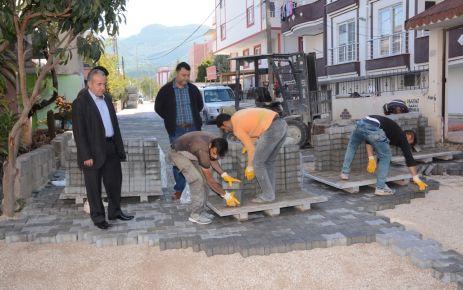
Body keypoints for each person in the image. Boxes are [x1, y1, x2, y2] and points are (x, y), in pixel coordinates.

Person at [72, 68, 134, 230]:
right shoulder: (80, 102)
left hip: (110, 147)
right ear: (89, 84)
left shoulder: (107, 99)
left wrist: (119, 148)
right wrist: (85, 155)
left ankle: (115, 211)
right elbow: (79, 132)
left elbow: (114, 125)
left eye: (104, 84)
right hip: (92, 152)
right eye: (99, 84)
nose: (102, 88)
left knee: (114, 182)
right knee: (94, 187)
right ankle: (98, 218)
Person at [340, 115, 428, 196]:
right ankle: (380, 188)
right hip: (372, 126)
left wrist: (371, 158)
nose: (408, 146)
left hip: (361, 123)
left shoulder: (392, 132)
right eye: (410, 144)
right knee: (386, 156)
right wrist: (416, 178)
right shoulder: (402, 137)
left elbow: (368, 139)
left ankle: (344, 173)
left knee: (352, 146)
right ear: (409, 136)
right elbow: (409, 158)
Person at [216, 108, 288, 203]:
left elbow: (251, 150)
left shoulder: (237, 128)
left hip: (271, 129)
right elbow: (253, 130)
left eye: (223, 128)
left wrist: (250, 166)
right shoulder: (237, 116)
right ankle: (270, 192)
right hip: (282, 124)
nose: (226, 131)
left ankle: (268, 195)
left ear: (225, 123)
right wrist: (248, 143)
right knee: (269, 162)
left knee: (258, 163)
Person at [155, 62, 203, 200]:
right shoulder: (166, 90)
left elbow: (199, 105)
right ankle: (179, 189)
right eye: (183, 75)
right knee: (178, 161)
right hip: (176, 131)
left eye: (188, 75)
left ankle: (196, 187)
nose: (186, 78)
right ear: (177, 73)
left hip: (193, 129)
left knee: (195, 158)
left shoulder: (193, 89)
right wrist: (170, 117)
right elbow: (158, 108)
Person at [169, 132, 241, 225]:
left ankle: (201, 210)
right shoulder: (202, 150)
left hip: (191, 150)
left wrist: (224, 174)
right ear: (210, 146)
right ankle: (195, 215)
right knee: (197, 180)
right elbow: (210, 181)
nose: (215, 156)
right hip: (177, 153)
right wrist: (226, 195)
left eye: (218, 155)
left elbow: (212, 159)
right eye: (214, 153)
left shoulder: (216, 143)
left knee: (203, 179)